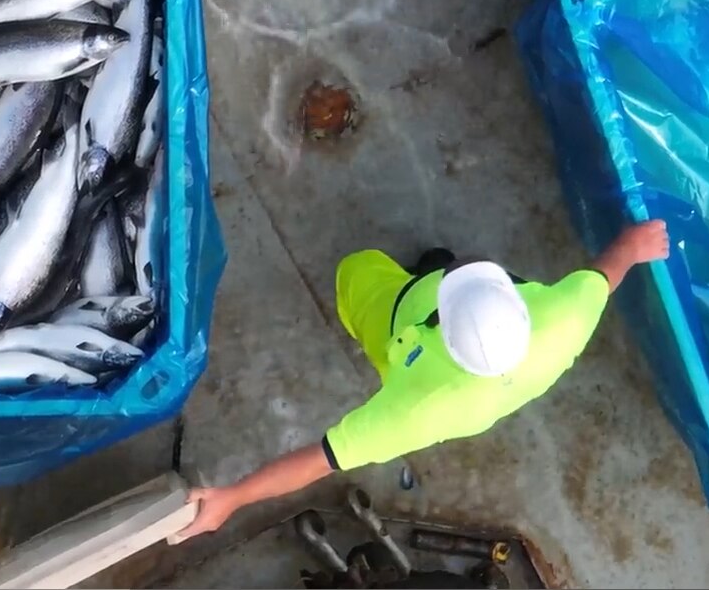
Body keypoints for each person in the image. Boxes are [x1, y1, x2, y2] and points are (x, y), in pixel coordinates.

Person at [173, 219, 673, 542]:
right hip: (467, 351)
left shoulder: (412, 409)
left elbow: (315, 462)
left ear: (443, 337)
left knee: (357, 274)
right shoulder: (565, 318)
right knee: (439, 263)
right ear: (519, 308)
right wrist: (635, 245)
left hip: (397, 317)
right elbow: (609, 269)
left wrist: (232, 498)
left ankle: (420, 277)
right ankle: (434, 268)